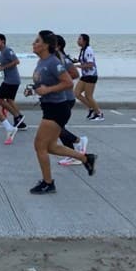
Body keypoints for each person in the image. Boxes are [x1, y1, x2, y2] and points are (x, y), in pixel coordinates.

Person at [27, 30, 96, 194]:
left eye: (37, 41)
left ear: (45, 45)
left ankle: (48, 183)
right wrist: (35, 90)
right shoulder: (41, 62)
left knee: (39, 146)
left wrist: (47, 89)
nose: (34, 44)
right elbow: (44, 85)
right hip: (50, 107)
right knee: (50, 147)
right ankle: (86, 158)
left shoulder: (53, 62)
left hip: (57, 109)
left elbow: (68, 82)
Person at [53, 35, 88, 167]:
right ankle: (72, 155)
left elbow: (75, 74)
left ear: (58, 46)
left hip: (66, 99)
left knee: (56, 128)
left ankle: (79, 141)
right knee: (58, 128)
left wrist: (59, 81)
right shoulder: (55, 59)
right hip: (59, 99)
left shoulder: (63, 59)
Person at [0, 33, 26, 130]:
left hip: (11, 80)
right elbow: (6, 64)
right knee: (10, 100)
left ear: (3, 41)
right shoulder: (2, 52)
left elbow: (16, 61)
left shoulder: (7, 50)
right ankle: (20, 121)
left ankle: (17, 117)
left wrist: (2, 67)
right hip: (12, 80)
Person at [73, 33, 104, 121]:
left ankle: (99, 114)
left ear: (84, 41)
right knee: (76, 93)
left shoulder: (88, 50)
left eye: (79, 39)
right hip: (85, 76)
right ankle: (91, 108)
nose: (78, 41)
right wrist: (74, 61)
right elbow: (83, 60)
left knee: (88, 96)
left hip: (91, 76)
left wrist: (77, 66)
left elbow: (90, 64)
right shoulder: (83, 50)